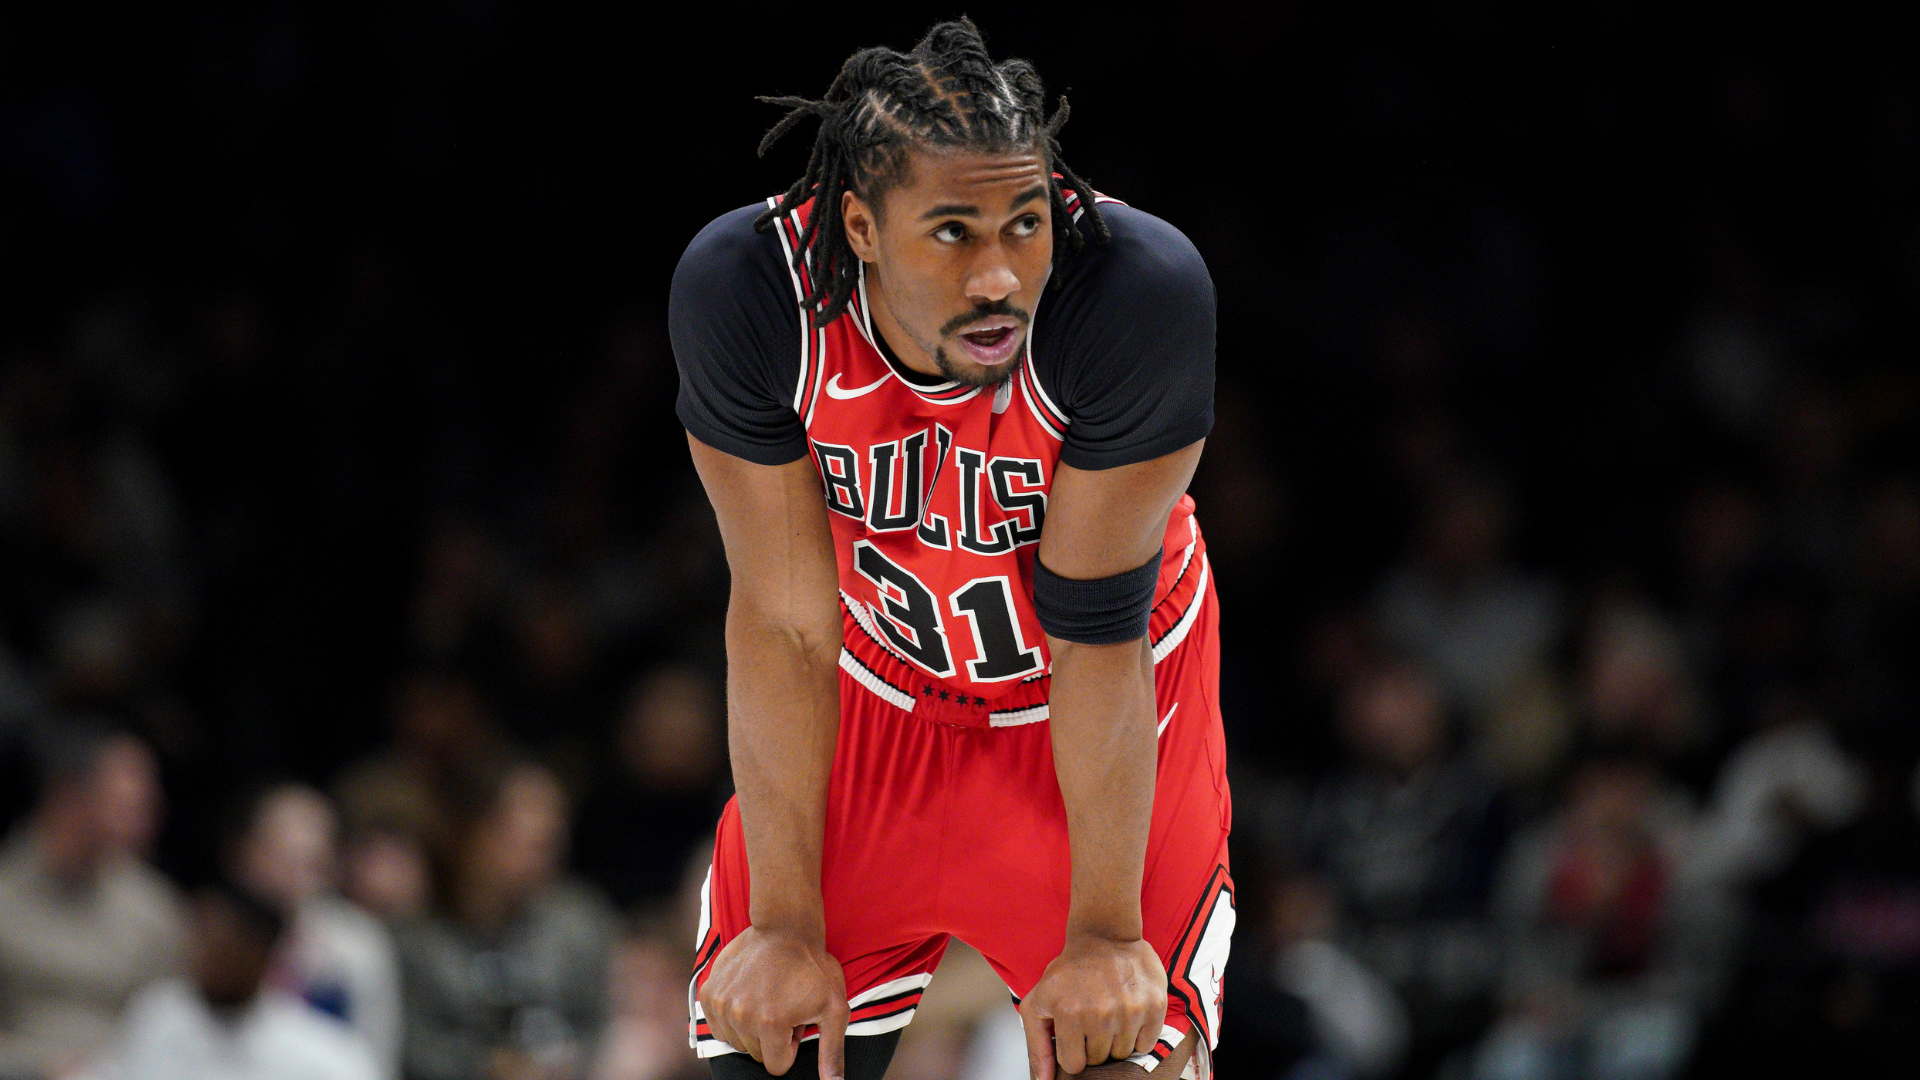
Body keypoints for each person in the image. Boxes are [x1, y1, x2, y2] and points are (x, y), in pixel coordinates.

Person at [670, 19, 1226, 1080]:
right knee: (767, 1037)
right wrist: (782, 922)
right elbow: (786, 623)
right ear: (861, 227)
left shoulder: (1132, 294)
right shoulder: (754, 292)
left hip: (1096, 702)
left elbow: (1093, 632)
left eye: (1025, 223)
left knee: (1117, 1047)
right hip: (873, 694)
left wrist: (1106, 935)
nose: (999, 277)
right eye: (954, 233)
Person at [393, 762, 619, 1080]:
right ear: (476, 835)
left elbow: (605, 1022)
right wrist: (488, 1067)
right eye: (533, 845)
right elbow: (409, 1046)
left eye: (553, 843)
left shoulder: (578, 922)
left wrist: (574, 1065)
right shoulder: (417, 939)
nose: (548, 858)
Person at [0, 724, 185, 1079]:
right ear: (68, 796)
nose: (152, 809)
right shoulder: (5, 894)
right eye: (131, 798)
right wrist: (34, 1068)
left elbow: (176, 1024)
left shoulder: (154, 906)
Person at [79, 882, 378, 1080]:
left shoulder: (320, 1052)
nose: (207, 958)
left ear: (261, 954)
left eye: (223, 948)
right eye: (202, 941)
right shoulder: (160, 1012)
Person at [228, 784, 403, 1077]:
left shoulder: (360, 946)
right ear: (247, 854)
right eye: (282, 858)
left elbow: (378, 1053)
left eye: (310, 865)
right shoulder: (221, 937)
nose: (293, 880)